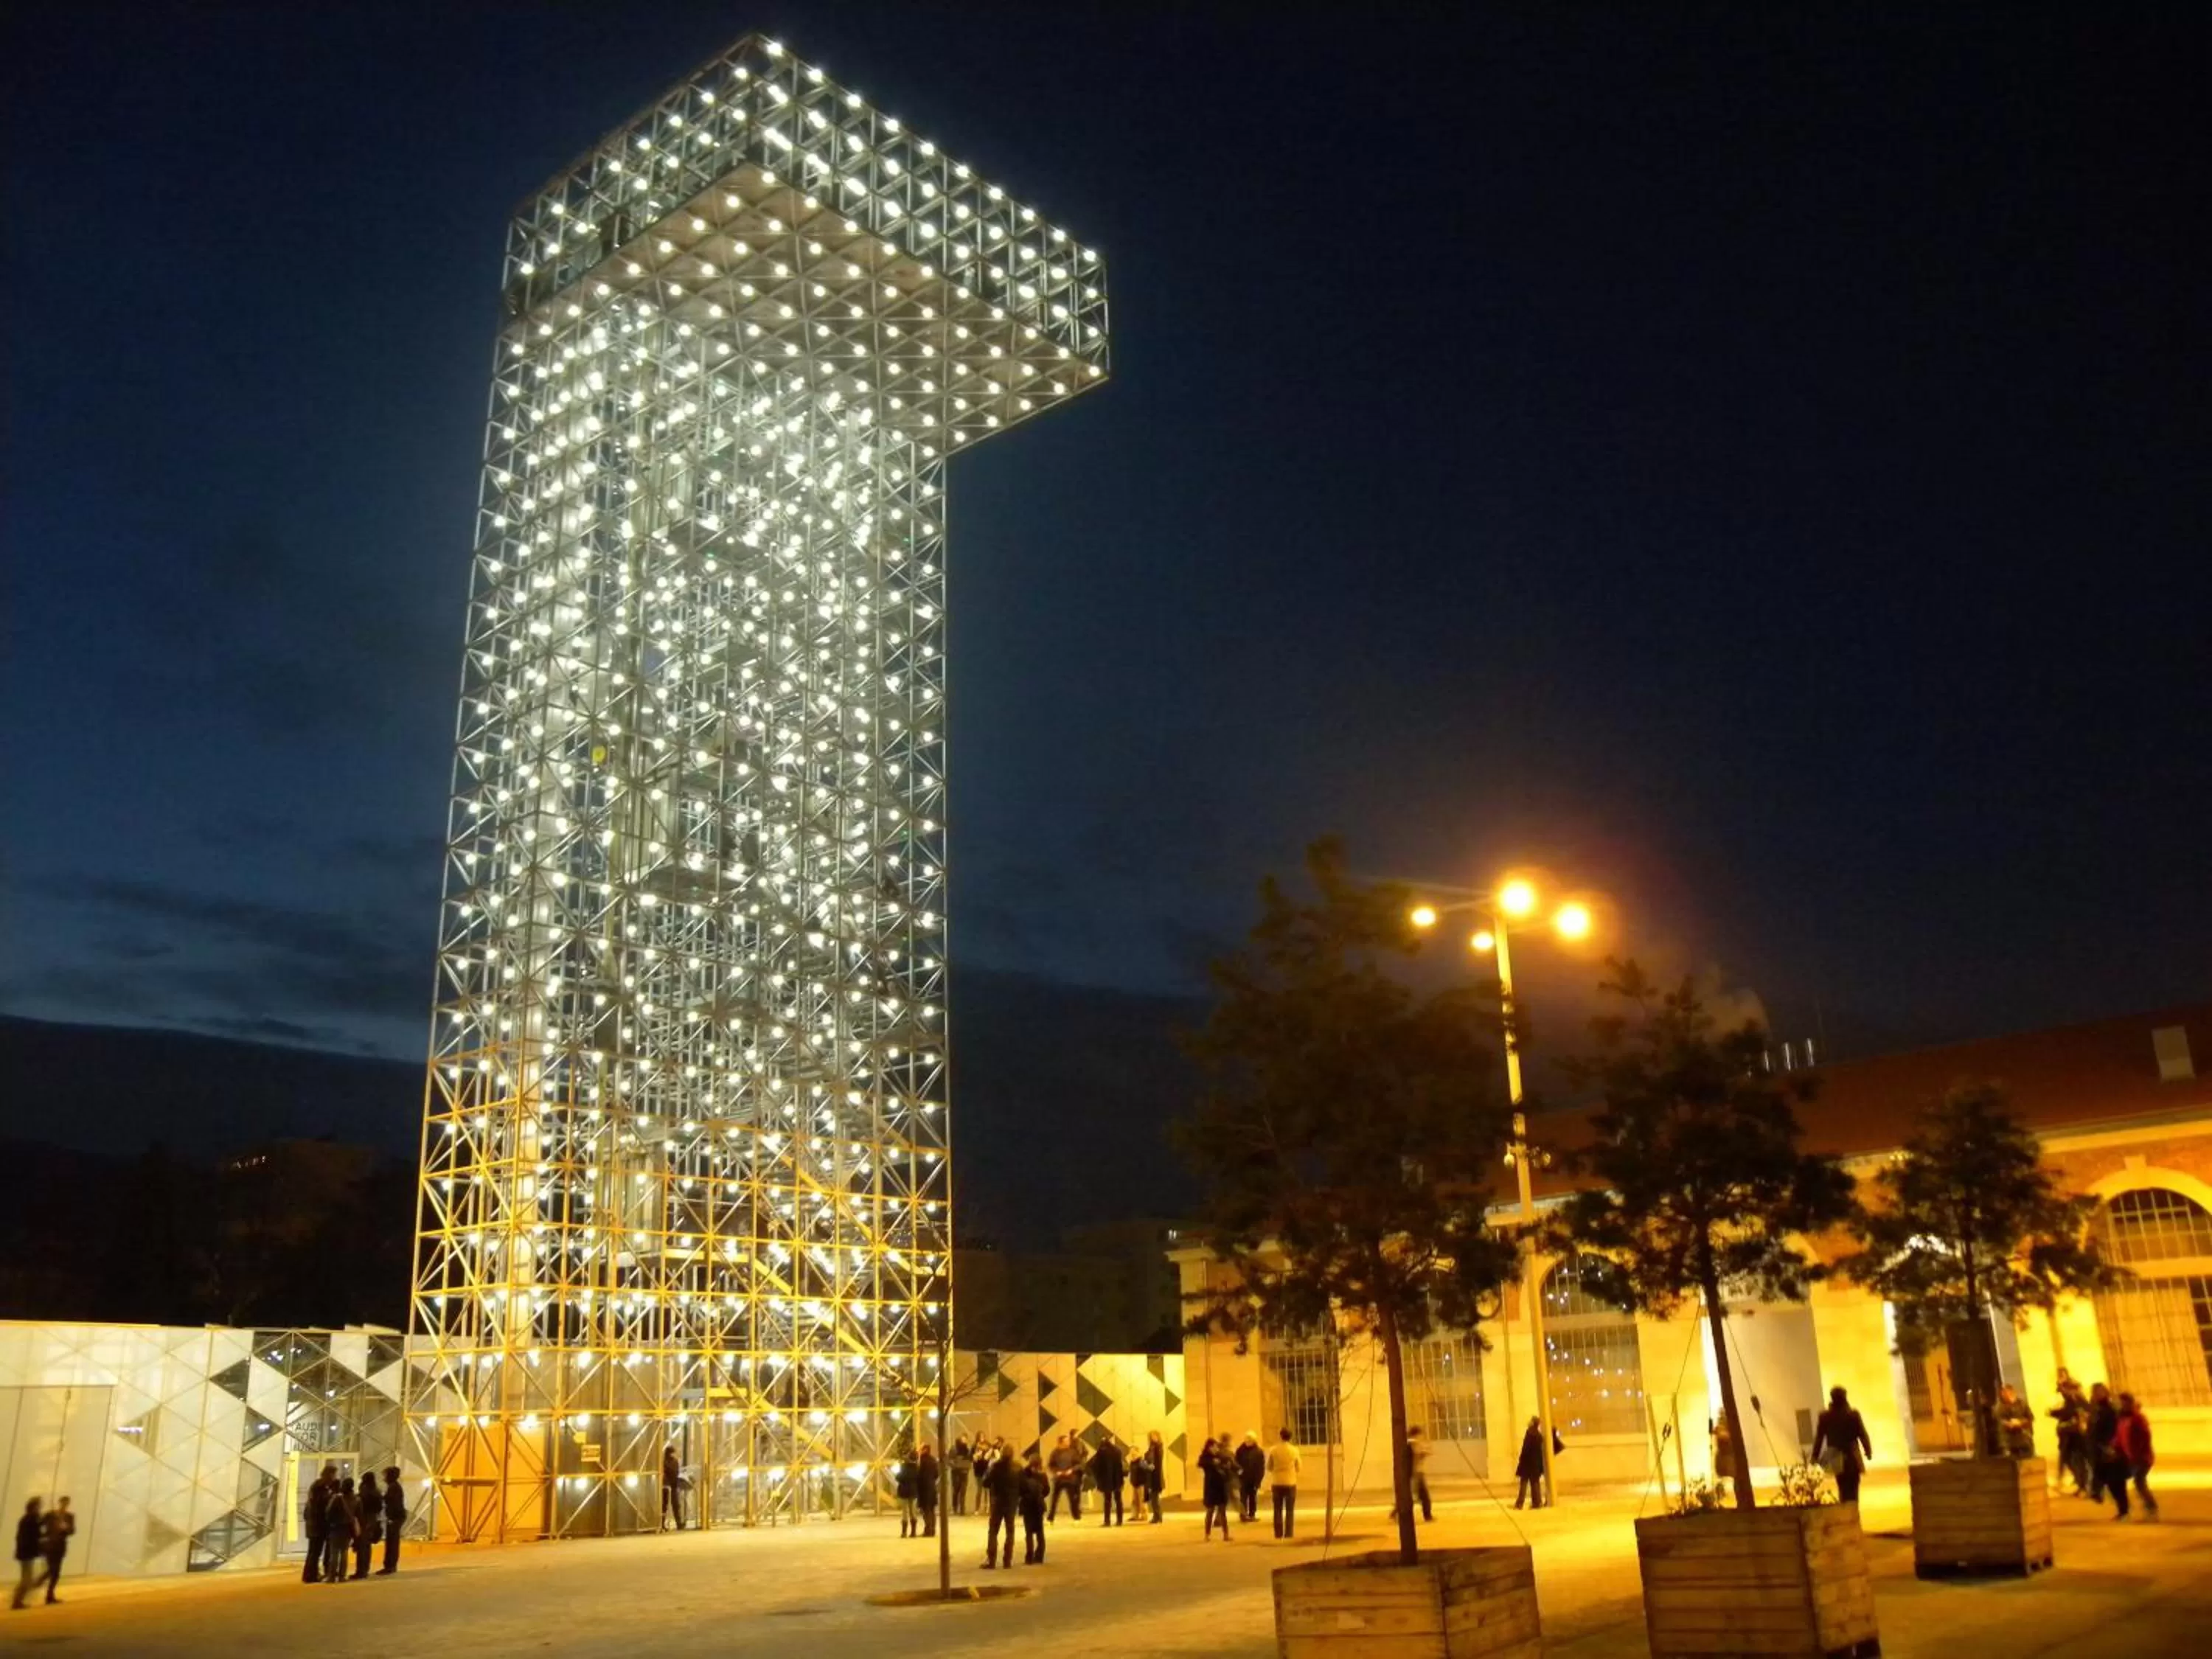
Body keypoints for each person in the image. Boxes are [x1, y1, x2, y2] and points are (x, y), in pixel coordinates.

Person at [1812, 1387, 1873, 1505]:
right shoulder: (1853, 1415)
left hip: (1834, 1455)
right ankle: (1853, 1510)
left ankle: (1845, 1507)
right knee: (1853, 1486)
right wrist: (1868, 1450)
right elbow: (1862, 1434)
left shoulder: (1825, 1417)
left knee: (1841, 1484)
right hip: (1852, 1454)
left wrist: (1815, 1456)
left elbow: (1819, 1438)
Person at [2086, 1382, 2127, 1517]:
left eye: (2098, 1392)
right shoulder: (2095, 1410)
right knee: (2108, 1480)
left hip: (2111, 1450)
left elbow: (2115, 1429)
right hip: (2099, 1450)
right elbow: (2093, 1429)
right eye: (2094, 1392)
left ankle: (2124, 1510)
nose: (2095, 1395)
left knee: (2116, 1482)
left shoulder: (2110, 1410)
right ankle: (2099, 1493)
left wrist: (2112, 1446)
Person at [2116, 1392, 2158, 1520]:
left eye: (2124, 1402)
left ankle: (2151, 1509)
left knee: (2139, 1482)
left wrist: (2139, 1453)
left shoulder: (2138, 1418)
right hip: (2130, 1457)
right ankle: (2148, 1509)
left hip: (2142, 1457)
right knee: (2138, 1483)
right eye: (2120, 1402)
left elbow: (2145, 1436)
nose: (2122, 1405)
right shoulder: (2122, 1418)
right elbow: (2120, 1436)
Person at [2048, 1374, 2091, 1495]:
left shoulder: (2077, 1399)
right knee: (2069, 1460)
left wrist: (2066, 1419)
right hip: (2068, 1435)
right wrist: (2055, 1413)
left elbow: (2081, 1412)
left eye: (2062, 1389)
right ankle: (2081, 1484)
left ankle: (2085, 1486)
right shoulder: (2068, 1400)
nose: (2061, 1392)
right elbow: (2066, 1412)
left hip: (2076, 1435)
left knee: (2079, 1461)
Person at [981, 1441, 1019, 1569]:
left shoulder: (995, 1466)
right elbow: (1023, 1485)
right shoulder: (1017, 1467)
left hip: (997, 1501)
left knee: (993, 1531)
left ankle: (991, 1560)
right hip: (1011, 1503)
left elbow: (985, 1483)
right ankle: (1007, 1560)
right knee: (1010, 1531)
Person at [302, 1462, 336, 1583]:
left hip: (314, 1524)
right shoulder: (320, 1488)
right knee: (315, 1552)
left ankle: (310, 1574)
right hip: (318, 1525)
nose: (334, 1478)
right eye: (333, 1475)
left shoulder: (316, 1486)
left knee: (313, 1551)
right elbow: (321, 1505)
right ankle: (310, 1576)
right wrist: (331, 1496)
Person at [1391, 1427, 1433, 1523]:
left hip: (1416, 1473)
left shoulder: (1412, 1443)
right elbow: (1420, 1454)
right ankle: (1397, 1512)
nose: (1422, 1436)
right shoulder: (1412, 1443)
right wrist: (1425, 1450)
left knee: (1418, 1496)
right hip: (1415, 1474)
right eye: (1420, 1434)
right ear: (1416, 1434)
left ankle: (1427, 1515)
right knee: (1416, 1496)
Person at [324, 1475, 359, 1585]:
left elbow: (328, 1513)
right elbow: (358, 1514)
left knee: (334, 1553)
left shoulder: (337, 1498)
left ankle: (332, 1576)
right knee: (344, 1552)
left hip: (336, 1527)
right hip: (348, 1527)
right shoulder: (356, 1499)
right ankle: (342, 1576)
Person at [37, 1498, 72, 1605]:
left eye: (66, 1503)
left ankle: (48, 1593)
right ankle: (46, 1591)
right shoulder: (50, 1514)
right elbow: (39, 1524)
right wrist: (44, 1536)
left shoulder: (69, 1517)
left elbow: (72, 1530)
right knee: (54, 1570)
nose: (65, 1505)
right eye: (63, 1503)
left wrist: (66, 1528)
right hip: (50, 1545)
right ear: (60, 1503)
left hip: (60, 1546)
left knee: (55, 1572)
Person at [1267, 1427, 1301, 1538]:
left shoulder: (1273, 1450)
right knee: (1290, 1510)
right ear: (1290, 1437)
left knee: (1277, 1509)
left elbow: (1269, 1467)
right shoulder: (1294, 1450)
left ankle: (1278, 1533)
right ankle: (1289, 1533)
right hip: (1290, 1482)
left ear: (1280, 1436)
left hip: (1277, 1482)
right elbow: (1299, 1467)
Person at [1018, 1451, 1050, 1563]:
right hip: (1039, 1505)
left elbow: (1020, 1489)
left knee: (1029, 1532)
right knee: (1040, 1532)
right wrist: (1040, 1496)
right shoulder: (1043, 1475)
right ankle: (1040, 1556)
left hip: (1027, 1505)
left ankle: (1029, 1557)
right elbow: (1047, 1490)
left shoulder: (1024, 1473)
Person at [12, 1498, 43, 1612]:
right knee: (27, 1579)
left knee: (26, 1578)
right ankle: (16, 1600)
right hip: (27, 1553)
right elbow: (35, 1536)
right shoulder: (31, 1520)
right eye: (39, 1506)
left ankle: (17, 1600)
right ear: (34, 1507)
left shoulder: (26, 1519)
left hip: (24, 1552)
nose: (40, 1508)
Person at [1199, 1437, 1233, 1539]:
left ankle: (1226, 1534)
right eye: (1214, 1447)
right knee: (1210, 1511)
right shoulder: (1205, 1457)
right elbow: (1201, 1464)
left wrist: (1226, 1466)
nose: (1216, 1448)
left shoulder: (1220, 1456)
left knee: (1223, 1511)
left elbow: (1227, 1463)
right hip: (1211, 1487)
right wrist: (1212, 1462)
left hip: (1221, 1486)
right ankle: (1207, 1534)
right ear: (1209, 1447)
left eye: (1216, 1446)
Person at [352, 1471, 382, 1580]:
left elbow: (359, 1504)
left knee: (362, 1545)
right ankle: (365, 1569)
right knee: (367, 1545)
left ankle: (361, 1571)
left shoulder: (365, 1491)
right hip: (372, 1519)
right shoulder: (377, 1491)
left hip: (364, 1519)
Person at [1091, 1436, 1126, 1526]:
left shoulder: (1101, 1452)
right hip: (1117, 1479)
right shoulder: (1117, 1451)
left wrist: (1098, 1478)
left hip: (1106, 1480)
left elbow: (1095, 1466)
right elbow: (1121, 1465)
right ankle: (1120, 1521)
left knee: (1107, 1500)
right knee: (1118, 1500)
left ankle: (1107, 1521)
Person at [1047, 1433, 1083, 1522]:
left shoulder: (1072, 1452)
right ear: (1061, 1443)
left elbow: (1079, 1464)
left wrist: (1072, 1470)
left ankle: (1076, 1518)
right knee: (1054, 1500)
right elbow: (1051, 1465)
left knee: (1073, 1500)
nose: (1068, 1442)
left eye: (1068, 1441)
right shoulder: (1055, 1453)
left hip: (1070, 1479)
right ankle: (1050, 1518)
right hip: (1059, 1479)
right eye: (1066, 1441)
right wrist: (1056, 1472)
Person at [1514, 1416, 1548, 1509]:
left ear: (1533, 1423)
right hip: (1535, 1464)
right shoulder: (1539, 1435)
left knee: (1524, 1483)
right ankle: (1537, 1502)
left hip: (1527, 1463)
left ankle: (1519, 1503)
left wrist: (1521, 1460)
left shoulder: (1529, 1434)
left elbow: (1525, 1449)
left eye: (1530, 1421)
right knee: (1535, 1483)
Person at [378, 1466, 406, 1574]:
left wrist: (392, 1519)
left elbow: (394, 1504)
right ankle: (390, 1565)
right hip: (395, 1517)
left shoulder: (394, 1488)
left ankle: (390, 1566)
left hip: (395, 1518)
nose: (384, 1478)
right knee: (392, 1542)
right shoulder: (394, 1487)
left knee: (392, 1542)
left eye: (385, 1475)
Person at [1996, 1385, 2036, 1458]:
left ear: (2013, 1392)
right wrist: (2009, 1424)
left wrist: (2021, 1422)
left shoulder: (2022, 1404)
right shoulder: (2001, 1407)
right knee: (2013, 1463)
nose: (2006, 1396)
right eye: (2004, 1394)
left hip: (2024, 1439)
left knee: (2028, 1461)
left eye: (2008, 1394)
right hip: (2010, 1441)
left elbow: (2031, 1418)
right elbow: (2000, 1420)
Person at [1236, 1434, 1266, 1523]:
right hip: (1243, 1478)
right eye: (1246, 1439)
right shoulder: (1240, 1450)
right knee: (1243, 1498)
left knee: (1253, 1497)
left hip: (1253, 1479)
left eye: (1250, 1440)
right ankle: (1243, 1515)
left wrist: (1259, 1480)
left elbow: (1261, 1467)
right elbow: (1236, 1462)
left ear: (1254, 1441)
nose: (1247, 1441)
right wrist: (1238, 1472)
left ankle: (1252, 1515)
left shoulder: (1259, 1451)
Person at [894, 1448, 920, 1537]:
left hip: (904, 1492)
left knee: (905, 1512)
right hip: (913, 1492)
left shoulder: (904, 1467)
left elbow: (899, 1478)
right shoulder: (917, 1468)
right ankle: (913, 1532)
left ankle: (904, 1532)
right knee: (913, 1512)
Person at [916, 1444, 939, 1537]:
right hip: (932, 1487)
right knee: (932, 1510)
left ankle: (928, 1530)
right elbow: (937, 1474)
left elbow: (919, 1475)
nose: (920, 1451)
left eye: (921, 1449)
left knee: (926, 1511)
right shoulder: (934, 1460)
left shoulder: (922, 1461)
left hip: (924, 1489)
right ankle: (933, 1530)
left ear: (925, 1450)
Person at [1145, 1430, 1168, 1523]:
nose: (1152, 1438)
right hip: (1153, 1475)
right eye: (1151, 1436)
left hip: (1156, 1475)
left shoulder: (1158, 1447)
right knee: (1154, 1497)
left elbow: (1156, 1461)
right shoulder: (1153, 1447)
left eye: (1154, 1436)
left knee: (1155, 1497)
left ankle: (1157, 1516)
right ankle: (1157, 1516)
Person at [661, 1445, 684, 1531]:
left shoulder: (666, 1461)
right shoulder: (673, 1462)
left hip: (668, 1485)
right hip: (670, 1485)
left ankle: (663, 1524)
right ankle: (678, 1523)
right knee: (672, 1505)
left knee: (666, 1505)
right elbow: (675, 1472)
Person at [950, 1436, 972, 1516]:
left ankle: (962, 1510)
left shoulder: (968, 1450)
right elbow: (950, 1460)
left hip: (964, 1473)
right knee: (956, 1491)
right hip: (956, 1473)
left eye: (966, 1440)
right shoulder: (954, 1449)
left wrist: (967, 1466)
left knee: (963, 1492)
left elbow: (970, 1460)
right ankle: (955, 1508)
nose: (965, 1441)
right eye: (963, 1440)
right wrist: (956, 1465)